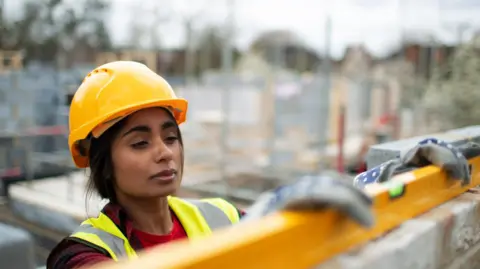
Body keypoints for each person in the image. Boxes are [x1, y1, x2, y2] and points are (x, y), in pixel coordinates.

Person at [46, 61, 469, 269]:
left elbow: (305, 224)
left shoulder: (219, 214)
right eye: (140, 142)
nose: (165, 152)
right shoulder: (83, 253)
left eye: (171, 136)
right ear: (102, 163)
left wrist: (384, 178)